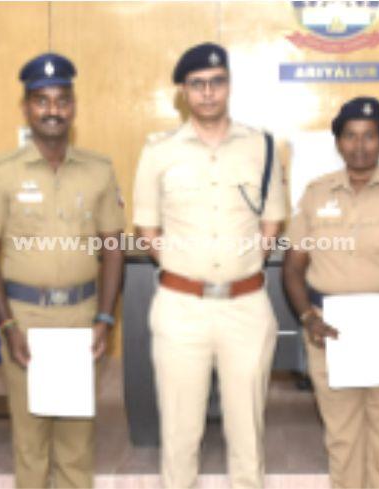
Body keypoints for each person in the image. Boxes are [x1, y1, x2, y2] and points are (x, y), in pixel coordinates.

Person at [131, 42, 288, 489]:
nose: (207, 92)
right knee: (180, 436)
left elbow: (272, 220)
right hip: (181, 309)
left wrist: (241, 265)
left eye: (216, 82)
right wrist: (187, 267)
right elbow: (147, 229)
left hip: (246, 307)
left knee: (248, 437)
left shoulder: (261, 146)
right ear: (183, 92)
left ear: (229, 86)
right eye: (197, 84)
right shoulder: (159, 151)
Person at [0, 52, 125, 489]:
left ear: (73, 107)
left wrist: (105, 318)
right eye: (41, 100)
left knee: (76, 446)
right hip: (25, 319)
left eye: (61, 100)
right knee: (31, 443)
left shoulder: (99, 170)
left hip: (81, 319)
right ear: (26, 108)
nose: (52, 110)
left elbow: (113, 250)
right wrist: (6, 325)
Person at [281, 96, 379, 488]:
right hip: (329, 329)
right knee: (343, 438)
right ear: (338, 142)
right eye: (350, 136)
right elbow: (293, 269)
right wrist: (308, 318)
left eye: (369, 136)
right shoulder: (315, 195)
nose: (360, 145)